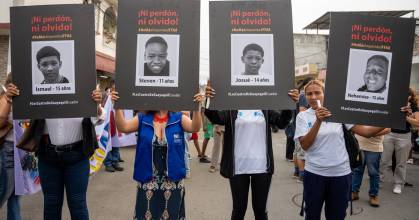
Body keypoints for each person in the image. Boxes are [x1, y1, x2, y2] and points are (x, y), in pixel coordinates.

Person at [294, 80, 408, 220]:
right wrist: (318, 121)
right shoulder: (303, 116)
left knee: (337, 215)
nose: (313, 97)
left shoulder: (339, 112)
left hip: (341, 174)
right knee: (312, 215)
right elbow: (305, 145)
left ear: (325, 94)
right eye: (309, 94)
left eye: (317, 92)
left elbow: (366, 132)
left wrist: (394, 117)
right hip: (315, 174)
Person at [205, 84, 299, 220]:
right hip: (238, 167)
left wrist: (289, 103)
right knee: (238, 209)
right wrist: (209, 100)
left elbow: (281, 123)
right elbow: (216, 118)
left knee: (260, 210)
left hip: (262, 167)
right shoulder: (232, 108)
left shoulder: (265, 108)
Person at [13, 82, 103, 220]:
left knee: (78, 204)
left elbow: (97, 120)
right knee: (51, 204)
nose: (50, 68)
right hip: (47, 156)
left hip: (77, 156)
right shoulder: (39, 88)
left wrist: (95, 106)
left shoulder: (83, 86)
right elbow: (24, 117)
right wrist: (14, 99)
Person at [112, 90, 203, 220]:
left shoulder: (178, 118)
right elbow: (123, 127)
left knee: (171, 215)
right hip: (148, 179)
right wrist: (117, 106)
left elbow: (195, 127)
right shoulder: (142, 118)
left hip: (173, 181)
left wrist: (197, 107)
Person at [380, 88, 419, 194]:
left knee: (401, 163)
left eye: (408, 95)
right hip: (389, 133)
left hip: (404, 136)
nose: (406, 97)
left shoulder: (413, 106)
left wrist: (406, 116)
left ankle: (398, 184)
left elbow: (417, 123)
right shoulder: (393, 103)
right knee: (384, 159)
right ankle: (379, 180)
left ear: (411, 97)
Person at [0, 74, 22, 220]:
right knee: (4, 191)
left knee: (15, 195)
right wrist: (8, 99)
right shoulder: (5, 98)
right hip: (7, 149)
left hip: (20, 151)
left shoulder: (24, 100)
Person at [351, 128, 390, 207]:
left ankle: (373, 195)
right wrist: (365, 133)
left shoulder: (383, 115)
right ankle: (354, 192)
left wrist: (370, 133)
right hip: (358, 145)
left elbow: (388, 129)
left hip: (374, 147)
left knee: (373, 173)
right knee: (357, 170)